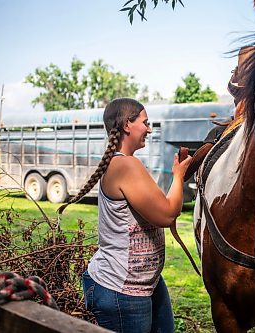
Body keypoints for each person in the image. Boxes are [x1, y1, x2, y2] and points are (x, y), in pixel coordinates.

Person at [58, 97, 192, 333]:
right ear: (127, 125)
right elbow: (168, 215)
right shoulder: (126, 165)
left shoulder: (126, 163)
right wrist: (179, 175)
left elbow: (160, 207)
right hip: (120, 290)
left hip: (143, 282)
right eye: (145, 122)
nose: (149, 130)